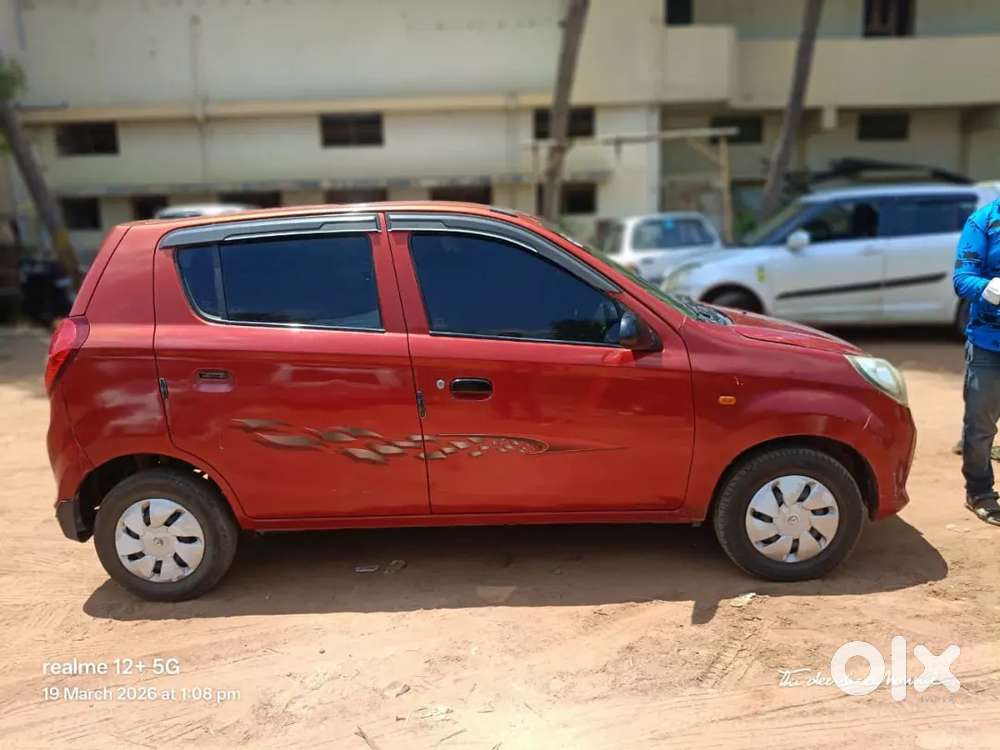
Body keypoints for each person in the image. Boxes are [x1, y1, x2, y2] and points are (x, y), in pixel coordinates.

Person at [954, 197, 1000, 526]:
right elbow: (962, 279)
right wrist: (990, 288)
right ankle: (980, 492)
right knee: (980, 429)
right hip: (988, 345)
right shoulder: (983, 221)